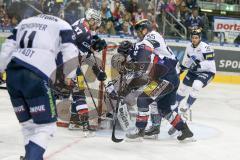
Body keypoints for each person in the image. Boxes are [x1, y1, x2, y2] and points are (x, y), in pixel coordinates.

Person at [0, 14, 79, 160]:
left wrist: (0, 68)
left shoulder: (25, 21)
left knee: (28, 125)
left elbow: (7, 46)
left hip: (13, 74)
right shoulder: (62, 24)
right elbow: (71, 50)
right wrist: (70, 76)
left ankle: (32, 156)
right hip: (37, 74)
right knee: (46, 127)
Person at [117, 19, 194, 141]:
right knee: (164, 109)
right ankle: (185, 130)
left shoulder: (152, 35)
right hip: (170, 77)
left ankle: (140, 130)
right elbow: (142, 57)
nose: (138, 33)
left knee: (143, 99)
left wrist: (131, 56)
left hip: (165, 77)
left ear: (145, 29)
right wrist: (128, 59)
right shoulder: (145, 43)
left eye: (139, 30)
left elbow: (144, 53)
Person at [65, 8, 107, 130]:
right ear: (92, 20)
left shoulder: (82, 22)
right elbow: (87, 57)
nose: (98, 25)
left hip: (69, 59)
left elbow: (89, 41)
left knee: (79, 89)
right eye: (97, 22)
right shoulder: (84, 33)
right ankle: (84, 123)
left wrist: (95, 40)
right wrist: (97, 71)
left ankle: (75, 120)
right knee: (79, 92)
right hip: (69, 63)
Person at [169, 29, 216, 135]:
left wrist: (198, 65)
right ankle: (175, 105)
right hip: (193, 71)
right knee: (182, 89)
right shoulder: (189, 46)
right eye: (193, 37)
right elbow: (187, 61)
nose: (194, 39)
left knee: (196, 85)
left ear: (200, 38)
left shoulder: (206, 47)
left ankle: (187, 106)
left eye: (196, 38)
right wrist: (180, 70)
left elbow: (210, 63)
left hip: (207, 72)